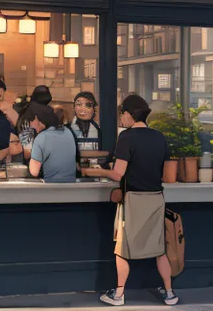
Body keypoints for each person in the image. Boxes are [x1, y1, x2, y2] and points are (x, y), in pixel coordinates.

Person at [81, 95, 178, 306]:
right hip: (156, 199)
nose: (121, 119)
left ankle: (118, 295)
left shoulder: (126, 137)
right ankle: (170, 293)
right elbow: (169, 176)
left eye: (122, 114)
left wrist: (90, 171)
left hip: (133, 200)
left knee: (122, 248)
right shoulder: (159, 137)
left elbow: (117, 174)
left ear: (130, 114)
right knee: (159, 248)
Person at [24, 102, 76, 183]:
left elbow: (34, 172)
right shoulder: (68, 132)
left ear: (40, 120)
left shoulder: (42, 137)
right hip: (71, 187)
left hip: (51, 188)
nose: (30, 124)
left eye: (32, 119)